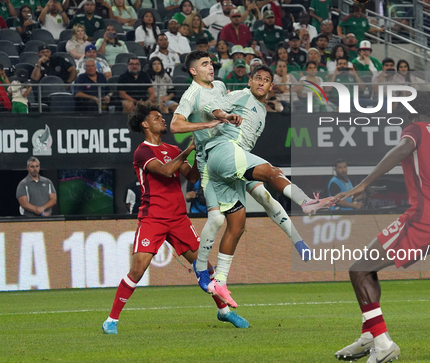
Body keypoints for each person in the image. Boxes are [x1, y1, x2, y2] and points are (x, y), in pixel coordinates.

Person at [332, 91, 430, 363]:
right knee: (367, 267)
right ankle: (368, 336)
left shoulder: (414, 129)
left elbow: (402, 148)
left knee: (358, 269)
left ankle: (383, 344)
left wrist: (363, 183)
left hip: (420, 219)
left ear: (412, 111)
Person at [170, 52, 323, 302]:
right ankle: (200, 270)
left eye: (211, 62)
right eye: (205, 63)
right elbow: (179, 124)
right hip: (212, 158)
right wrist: (216, 120)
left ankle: (295, 244)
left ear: (272, 86)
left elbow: (219, 103)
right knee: (218, 218)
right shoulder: (195, 95)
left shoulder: (222, 87)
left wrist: (222, 117)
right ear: (193, 71)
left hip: (234, 157)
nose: (211, 67)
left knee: (251, 211)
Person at [101, 103, 250, 335]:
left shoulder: (171, 148)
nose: (163, 120)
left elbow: (190, 176)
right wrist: (189, 148)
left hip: (179, 219)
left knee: (204, 267)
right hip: (153, 218)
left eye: (162, 116)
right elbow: (166, 171)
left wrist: (204, 154)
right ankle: (111, 320)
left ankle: (224, 312)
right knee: (138, 270)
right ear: (145, 124)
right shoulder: (143, 151)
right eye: (157, 117)